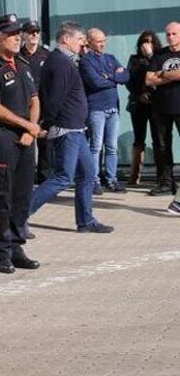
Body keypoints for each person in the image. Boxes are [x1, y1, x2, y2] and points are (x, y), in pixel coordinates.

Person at [29, 21, 114, 234]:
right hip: (66, 128)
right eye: (79, 40)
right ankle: (17, 216)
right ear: (66, 39)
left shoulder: (64, 61)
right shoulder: (60, 62)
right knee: (62, 177)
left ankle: (85, 221)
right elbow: (54, 98)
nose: (82, 44)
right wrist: (48, 123)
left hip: (76, 128)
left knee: (86, 173)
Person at [0, 14, 41, 274]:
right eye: (13, 34)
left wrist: (32, 129)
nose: (19, 37)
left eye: (20, 33)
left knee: (22, 197)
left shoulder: (23, 64)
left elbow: (35, 100)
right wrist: (28, 126)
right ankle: (1, 252)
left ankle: (17, 247)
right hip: (4, 140)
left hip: (27, 141)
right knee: (3, 197)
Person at [79, 28, 130, 194]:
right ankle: (94, 181)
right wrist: (114, 78)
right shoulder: (86, 61)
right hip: (96, 109)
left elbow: (126, 76)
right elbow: (96, 83)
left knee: (112, 147)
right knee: (95, 147)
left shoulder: (110, 58)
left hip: (113, 109)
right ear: (89, 42)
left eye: (103, 40)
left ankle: (111, 180)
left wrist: (110, 77)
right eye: (98, 40)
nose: (102, 43)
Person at [145, 21, 180, 196]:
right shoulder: (159, 55)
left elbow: (158, 76)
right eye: (168, 34)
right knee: (162, 146)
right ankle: (167, 183)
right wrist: (174, 76)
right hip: (161, 107)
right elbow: (149, 80)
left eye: (174, 33)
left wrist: (163, 74)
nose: (170, 37)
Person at [125, 30, 162, 185]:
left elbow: (162, 77)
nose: (147, 45)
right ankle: (134, 175)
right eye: (144, 42)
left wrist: (151, 57)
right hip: (138, 103)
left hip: (156, 104)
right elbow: (129, 80)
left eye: (150, 41)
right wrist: (139, 93)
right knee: (139, 139)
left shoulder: (160, 58)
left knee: (158, 139)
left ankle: (162, 176)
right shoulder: (134, 59)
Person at [20, 20, 52, 185]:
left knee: (45, 143)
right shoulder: (18, 55)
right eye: (31, 32)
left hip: (44, 104)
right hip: (25, 104)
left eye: (37, 32)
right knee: (26, 141)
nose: (34, 35)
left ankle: (44, 178)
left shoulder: (46, 55)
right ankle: (27, 177)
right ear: (23, 34)